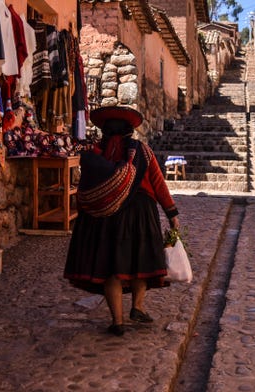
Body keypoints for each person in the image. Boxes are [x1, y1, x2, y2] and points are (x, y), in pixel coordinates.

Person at [64, 106, 180, 337]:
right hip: (140, 216)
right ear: (130, 130)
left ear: (105, 131)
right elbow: (158, 183)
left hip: (104, 220)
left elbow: (85, 187)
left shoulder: (95, 153)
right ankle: (137, 307)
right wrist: (172, 213)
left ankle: (117, 321)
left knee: (111, 269)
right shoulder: (143, 152)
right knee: (139, 264)